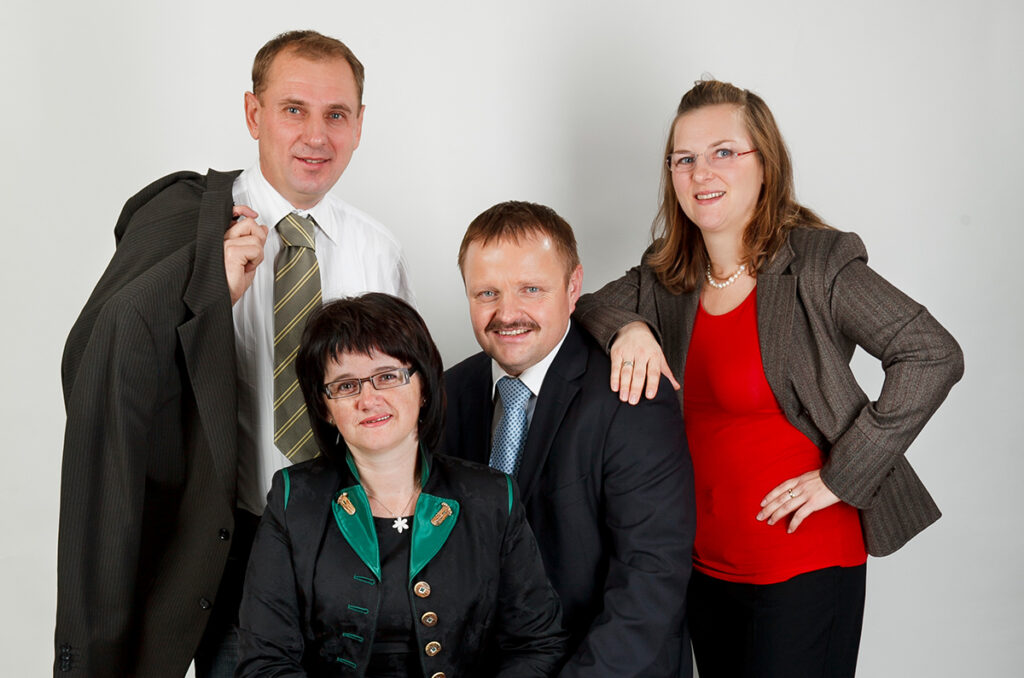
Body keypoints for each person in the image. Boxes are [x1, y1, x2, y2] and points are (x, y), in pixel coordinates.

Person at [573, 79, 964, 677]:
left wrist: (842, 478)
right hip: (700, 568)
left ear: (766, 165)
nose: (701, 172)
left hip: (803, 564)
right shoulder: (667, 275)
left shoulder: (818, 265)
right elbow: (586, 308)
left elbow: (932, 353)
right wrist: (628, 328)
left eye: (724, 152)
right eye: (684, 158)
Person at [55, 31, 410, 677]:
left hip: (355, 545)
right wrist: (203, 293)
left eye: (336, 114)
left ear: (360, 125)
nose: (316, 136)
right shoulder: (193, 227)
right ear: (253, 113)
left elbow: (403, 405)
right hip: (233, 550)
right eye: (294, 109)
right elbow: (101, 362)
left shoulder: (380, 251)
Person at [237, 293, 567, 677]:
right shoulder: (293, 500)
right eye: (346, 386)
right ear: (325, 408)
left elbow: (536, 645)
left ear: (424, 387)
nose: (368, 399)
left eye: (387, 377)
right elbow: (265, 662)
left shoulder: (492, 497)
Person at [443, 201, 696, 677]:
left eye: (531, 289)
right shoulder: (446, 395)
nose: (507, 314)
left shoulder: (631, 395)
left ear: (573, 286)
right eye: (487, 293)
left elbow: (651, 580)